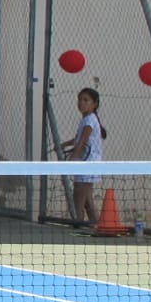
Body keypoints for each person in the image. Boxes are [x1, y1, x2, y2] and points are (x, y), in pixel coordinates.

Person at [59, 86, 106, 226]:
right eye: (80, 99)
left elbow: (82, 141)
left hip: (88, 163)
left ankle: (77, 224)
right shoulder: (85, 119)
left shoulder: (90, 119)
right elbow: (77, 138)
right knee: (87, 199)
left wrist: (72, 159)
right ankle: (95, 225)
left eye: (86, 100)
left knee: (79, 195)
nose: (81, 103)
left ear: (95, 104)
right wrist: (63, 144)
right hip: (85, 162)